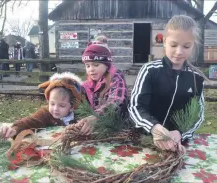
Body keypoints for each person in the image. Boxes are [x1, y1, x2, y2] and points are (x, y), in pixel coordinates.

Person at [128, 15, 208, 152]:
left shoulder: (196, 78)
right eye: (173, 45)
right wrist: (154, 128)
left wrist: (180, 133)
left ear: (193, 45)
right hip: (144, 141)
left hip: (178, 145)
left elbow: (198, 115)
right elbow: (136, 106)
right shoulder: (150, 70)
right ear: (165, 42)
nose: (179, 52)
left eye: (186, 46)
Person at [0, 72, 83, 139]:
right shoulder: (46, 113)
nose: (55, 109)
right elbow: (30, 122)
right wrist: (14, 129)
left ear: (72, 107)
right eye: (52, 103)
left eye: (62, 106)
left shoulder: (80, 115)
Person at [77, 37, 128, 135]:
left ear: (107, 65)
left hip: (118, 129)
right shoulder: (87, 85)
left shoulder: (116, 77)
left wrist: (96, 116)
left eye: (96, 65)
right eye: (88, 66)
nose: (91, 69)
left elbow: (116, 101)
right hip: (96, 129)